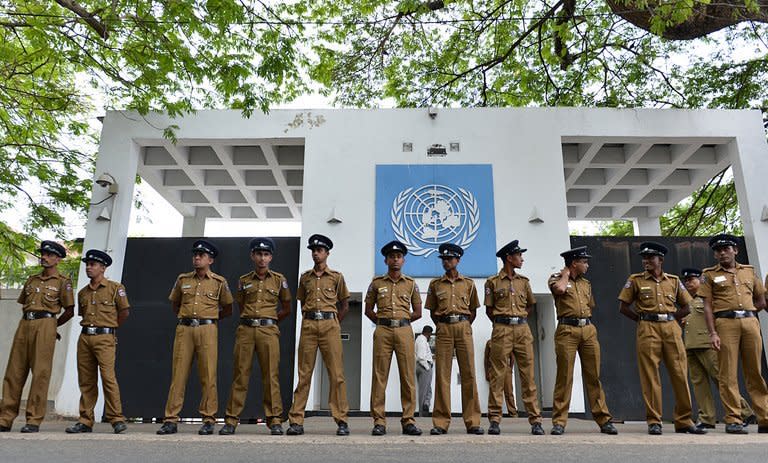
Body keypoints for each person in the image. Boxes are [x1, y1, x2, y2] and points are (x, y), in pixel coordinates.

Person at [618, 241, 704, 435]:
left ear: (661, 260)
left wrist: (673, 319)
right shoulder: (636, 280)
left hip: (671, 327)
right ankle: (654, 421)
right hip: (647, 327)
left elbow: (688, 306)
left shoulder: (673, 281)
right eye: (644, 258)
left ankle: (684, 420)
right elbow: (623, 307)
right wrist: (641, 320)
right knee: (650, 376)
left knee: (680, 373)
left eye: (650, 258)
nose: (646, 261)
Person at [157, 240, 233, 435]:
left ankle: (208, 419)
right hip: (185, 329)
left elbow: (228, 308)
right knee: (178, 374)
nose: (197, 257)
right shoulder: (183, 279)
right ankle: (171, 420)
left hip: (207, 330)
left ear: (210, 260)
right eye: (195, 255)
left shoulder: (219, 282)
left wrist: (210, 319)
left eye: (201, 255)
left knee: (208, 375)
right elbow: (175, 304)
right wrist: (187, 319)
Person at [0, 241, 75, 433]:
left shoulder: (62, 282)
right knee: (13, 372)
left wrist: (52, 326)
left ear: (58, 259)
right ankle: (5, 418)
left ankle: (33, 419)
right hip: (25, 324)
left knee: (40, 374)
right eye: (43, 254)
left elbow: (69, 310)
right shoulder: (32, 280)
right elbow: (24, 302)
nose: (44, 257)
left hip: (46, 324)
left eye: (49, 255)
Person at [219, 238, 291, 436]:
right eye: (258, 254)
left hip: (269, 330)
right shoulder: (244, 280)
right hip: (246, 330)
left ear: (271, 257)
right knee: (240, 374)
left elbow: (287, 307)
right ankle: (231, 420)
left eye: (266, 254)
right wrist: (252, 319)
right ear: (252, 256)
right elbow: (240, 306)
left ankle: (275, 420)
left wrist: (271, 320)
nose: (262, 258)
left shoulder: (279, 279)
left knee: (271, 375)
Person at [699, 234, 768, 434]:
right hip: (724, 323)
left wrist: (747, 312)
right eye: (718, 250)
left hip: (749, 322)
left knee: (754, 372)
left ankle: (764, 417)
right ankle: (734, 419)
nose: (722, 253)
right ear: (715, 254)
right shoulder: (709, 274)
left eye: (727, 249)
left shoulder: (749, 271)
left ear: (735, 250)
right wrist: (713, 333)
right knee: (727, 373)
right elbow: (707, 306)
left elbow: (761, 300)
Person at [287, 234, 351, 436]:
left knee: (336, 375)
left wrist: (332, 322)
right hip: (309, 325)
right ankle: (296, 420)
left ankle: (341, 420)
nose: (316, 253)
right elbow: (301, 302)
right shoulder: (304, 278)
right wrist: (310, 320)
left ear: (327, 253)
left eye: (320, 250)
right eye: (313, 250)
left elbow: (345, 305)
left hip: (330, 325)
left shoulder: (337, 277)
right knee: (304, 374)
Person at [548, 246, 617, 435]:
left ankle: (604, 420)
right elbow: (560, 289)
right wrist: (565, 274)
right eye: (584, 262)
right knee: (565, 376)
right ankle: (560, 422)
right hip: (566, 330)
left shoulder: (586, 283)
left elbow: (590, 306)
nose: (587, 265)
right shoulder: (556, 279)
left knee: (593, 376)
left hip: (587, 329)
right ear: (573, 263)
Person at [680, 267, 755, 431]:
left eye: (691, 280)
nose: (688, 283)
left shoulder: (710, 298)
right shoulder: (689, 301)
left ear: (700, 280)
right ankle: (706, 418)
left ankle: (745, 411)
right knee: (699, 383)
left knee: (722, 380)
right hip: (691, 346)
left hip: (708, 345)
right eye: (686, 281)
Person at [65, 250, 130, 435]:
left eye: (93, 265)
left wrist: (110, 328)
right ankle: (85, 420)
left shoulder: (115, 288)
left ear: (103, 267)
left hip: (105, 338)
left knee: (108, 378)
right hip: (85, 337)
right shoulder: (83, 293)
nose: (88, 267)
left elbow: (124, 312)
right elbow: (81, 316)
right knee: (86, 380)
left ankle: (116, 419)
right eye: (87, 264)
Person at [364, 240, 423, 436]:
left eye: (398, 256)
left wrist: (402, 321)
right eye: (391, 256)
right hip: (383, 331)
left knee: (407, 377)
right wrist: (383, 321)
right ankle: (379, 421)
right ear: (386, 260)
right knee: (380, 376)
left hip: (405, 331)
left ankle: (408, 421)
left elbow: (418, 312)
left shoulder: (411, 284)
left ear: (403, 260)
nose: (395, 260)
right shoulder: (376, 283)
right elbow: (368, 310)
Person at [485, 240, 543, 436]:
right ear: (509, 258)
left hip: (522, 330)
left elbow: (530, 306)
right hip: (501, 329)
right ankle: (494, 419)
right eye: (519, 255)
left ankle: (535, 420)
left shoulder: (524, 282)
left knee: (528, 375)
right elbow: (489, 310)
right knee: (498, 375)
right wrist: (503, 321)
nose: (522, 259)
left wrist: (519, 318)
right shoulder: (492, 282)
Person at [425, 243, 483, 435]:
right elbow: (433, 312)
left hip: (464, 326)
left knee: (469, 374)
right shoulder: (435, 285)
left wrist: (463, 324)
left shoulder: (469, 284)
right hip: (443, 328)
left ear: (458, 260)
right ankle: (440, 422)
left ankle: (473, 421)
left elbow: (473, 311)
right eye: (443, 259)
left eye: (449, 259)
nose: (446, 262)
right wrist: (442, 324)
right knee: (442, 375)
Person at [483, 340, 517, 418]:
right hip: (494, 369)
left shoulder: (507, 342)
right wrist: (486, 372)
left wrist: (510, 369)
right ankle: (494, 413)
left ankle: (513, 413)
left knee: (509, 392)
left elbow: (512, 357)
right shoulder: (489, 343)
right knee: (495, 392)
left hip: (506, 369)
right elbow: (486, 359)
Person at [415, 326, 434, 417]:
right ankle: (422, 413)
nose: (430, 336)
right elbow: (421, 356)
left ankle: (426, 405)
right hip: (424, 367)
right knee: (424, 390)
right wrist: (427, 367)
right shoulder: (422, 340)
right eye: (430, 334)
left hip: (421, 366)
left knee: (427, 389)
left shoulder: (419, 340)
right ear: (428, 333)